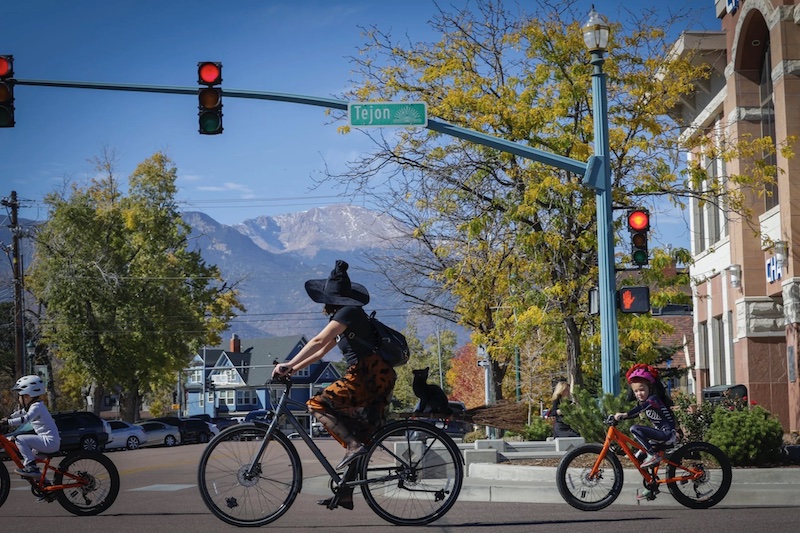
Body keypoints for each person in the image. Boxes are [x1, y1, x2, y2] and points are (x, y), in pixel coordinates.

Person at [271, 259, 396, 510]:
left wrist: (286, 364)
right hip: (373, 376)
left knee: (317, 404)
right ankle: (346, 493)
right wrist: (292, 369)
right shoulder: (347, 317)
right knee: (362, 434)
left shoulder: (347, 313)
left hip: (367, 375)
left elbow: (318, 341)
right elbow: (319, 353)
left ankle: (352, 445)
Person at [614, 363, 677, 498]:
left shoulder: (653, 400)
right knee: (640, 457)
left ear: (650, 387)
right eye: (636, 391)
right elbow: (635, 413)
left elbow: (639, 410)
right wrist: (621, 418)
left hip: (667, 434)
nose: (639, 394)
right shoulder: (645, 402)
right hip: (661, 434)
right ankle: (651, 485)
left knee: (635, 429)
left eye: (642, 389)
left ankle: (653, 454)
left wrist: (625, 414)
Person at [0, 375, 61, 478]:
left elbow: (25, 419)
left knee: (20, 439)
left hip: (49, 442)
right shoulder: (35, 406)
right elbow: (20, 413)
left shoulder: (36, 407)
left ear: (27, 396)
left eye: (20, 396)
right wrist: (6, 418)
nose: (19, 399)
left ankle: (32, 469)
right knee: (28, 461)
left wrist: (8, 422)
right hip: (48, 441)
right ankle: (43, 482)